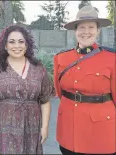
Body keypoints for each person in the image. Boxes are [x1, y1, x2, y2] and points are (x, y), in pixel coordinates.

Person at [0, 24, 52, 154]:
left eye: (21, 41)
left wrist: (44, 127)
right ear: (5, 46)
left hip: (31, 129)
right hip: (0, 131)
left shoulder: (39, 69)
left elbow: (45, 101)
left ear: (27, 45)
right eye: (11, 42)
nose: (16, 46)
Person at [54, 6, 116, 155]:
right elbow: (59, 91)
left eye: (91, 27)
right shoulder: (61, 58)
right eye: (81, 27)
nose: (86, 32)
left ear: (98, 31)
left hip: (101, 132)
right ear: (75, 31)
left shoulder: (111, 58)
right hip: (69, 131)